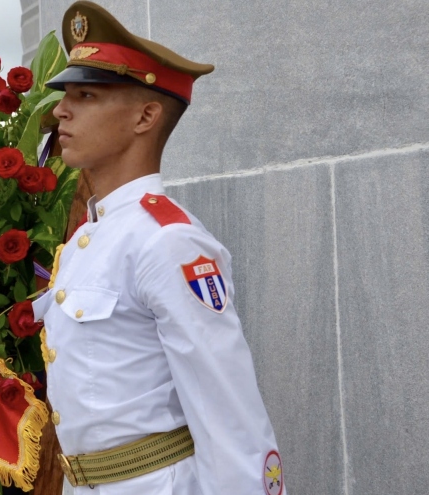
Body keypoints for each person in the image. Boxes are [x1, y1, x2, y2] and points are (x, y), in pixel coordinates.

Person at [33, 3, 286, 494]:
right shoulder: (91, 236)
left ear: (146, 115)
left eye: (85, 95)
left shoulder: (167, 240)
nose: (61, 110)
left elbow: (226, 409)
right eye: (67, 95)